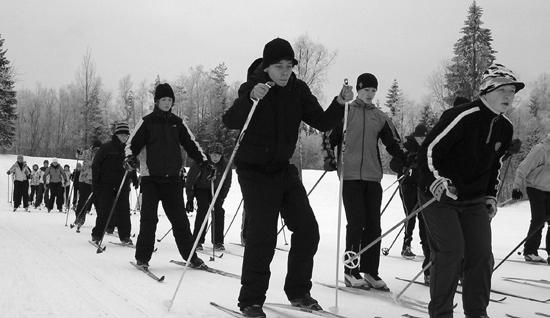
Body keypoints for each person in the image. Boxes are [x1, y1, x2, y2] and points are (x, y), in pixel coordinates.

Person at [222, 37, 352, 317]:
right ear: (267, 67)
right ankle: (251, 300)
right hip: (254, 171)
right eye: (278, 66)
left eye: (289, 65)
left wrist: (340, 102)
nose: (284, 71)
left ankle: (298, 291)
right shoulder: (254, 87)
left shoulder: (298, 89)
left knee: (307, 230)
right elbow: (230, 120)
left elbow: (322, 120)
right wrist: (249, 98)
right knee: (263, 235)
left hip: (282, 169)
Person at [417, 63, 524, 318]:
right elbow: (429, 150)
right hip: (440, 195)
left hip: (474, 200)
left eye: (512, 91)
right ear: (486, 90)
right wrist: (437, 181)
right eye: (503, 90)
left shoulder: (505, 127)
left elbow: (494, 165)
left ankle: (477, 313)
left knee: (481, 256)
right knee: (451, 252)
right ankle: (441, 314)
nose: (509, 96)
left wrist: (490, 195)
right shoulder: (463, 115)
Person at [328, 73, 406, 291]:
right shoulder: (346, 112)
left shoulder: (380, 117)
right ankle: (350, 271)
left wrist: (405, 159)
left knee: (373, 224)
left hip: (372, 176)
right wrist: (329, 158)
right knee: (356, 222)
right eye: (365, 90)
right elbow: (329, 137)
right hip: (350, 176)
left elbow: (394, 143)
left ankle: (371, 271)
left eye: (373, 91)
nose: (369, 94)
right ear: (358, 91)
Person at [125, 82, 211, 269]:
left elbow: (191, 144)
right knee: (149, 219)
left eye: (170, 99)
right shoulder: (147, 122)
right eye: (163, 99)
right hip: (150, 178)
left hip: (172, 179)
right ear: (156, 101)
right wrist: (130, 158)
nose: (167, 102)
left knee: (180, 220)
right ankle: (142, 258)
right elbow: (132, 144)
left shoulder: (177, 123)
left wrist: (204, 162)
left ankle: (191, 257)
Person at [392, 123, 432, 281]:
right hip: (407, 185)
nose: (422, 140)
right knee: (410, 214)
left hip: (422, 186)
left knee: (424, 218)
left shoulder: (428, 147)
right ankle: (406, 244)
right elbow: (394, 164)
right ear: (415, 136)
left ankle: (426, 249)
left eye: (424, 137)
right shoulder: (407, 146)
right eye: (420, 137)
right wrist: (406, 165)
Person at [91, 122, 136, 245]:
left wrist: (134, 178)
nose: (124, 137)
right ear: (116, 135)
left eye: (126, 135)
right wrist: (96, 183)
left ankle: (125, 236)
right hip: (107, 184)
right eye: (121, 134)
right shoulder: (106, 148)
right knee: (104, 210)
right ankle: (97, 234)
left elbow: (132, 166)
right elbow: (96, 166)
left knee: (124, 211)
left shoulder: (129, 150)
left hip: (123, 184)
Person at [512, 133, 550, 264]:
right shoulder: (541, 149)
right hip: (535, 187)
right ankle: (530, 251)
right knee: (539, 219)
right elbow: (523, 168)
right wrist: (517, 187)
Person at [186, 142, 232, 251]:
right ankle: (197, 240)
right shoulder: (201, 161)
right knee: (203, 209)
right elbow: (190, 180)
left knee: (219, 211)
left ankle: (218, 241)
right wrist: (190, 197)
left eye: (218, 155)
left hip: (216, 190)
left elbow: (227, 182)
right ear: (209, 154)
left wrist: (222, 197)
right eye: (213, 154)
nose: (215, 157)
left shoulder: (225, 164)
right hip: (201, 188)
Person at [75, 140, 101, 226]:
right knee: (82, 199)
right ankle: (79, 217)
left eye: (98, 148)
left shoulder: (101, 154)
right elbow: (78, 156)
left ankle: (102, 221)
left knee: (98, 201)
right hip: (84, 179)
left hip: (95, 181)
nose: (96, 150)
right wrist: (78, 152)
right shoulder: (86, 152)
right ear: (92, 147)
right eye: (95, 148)